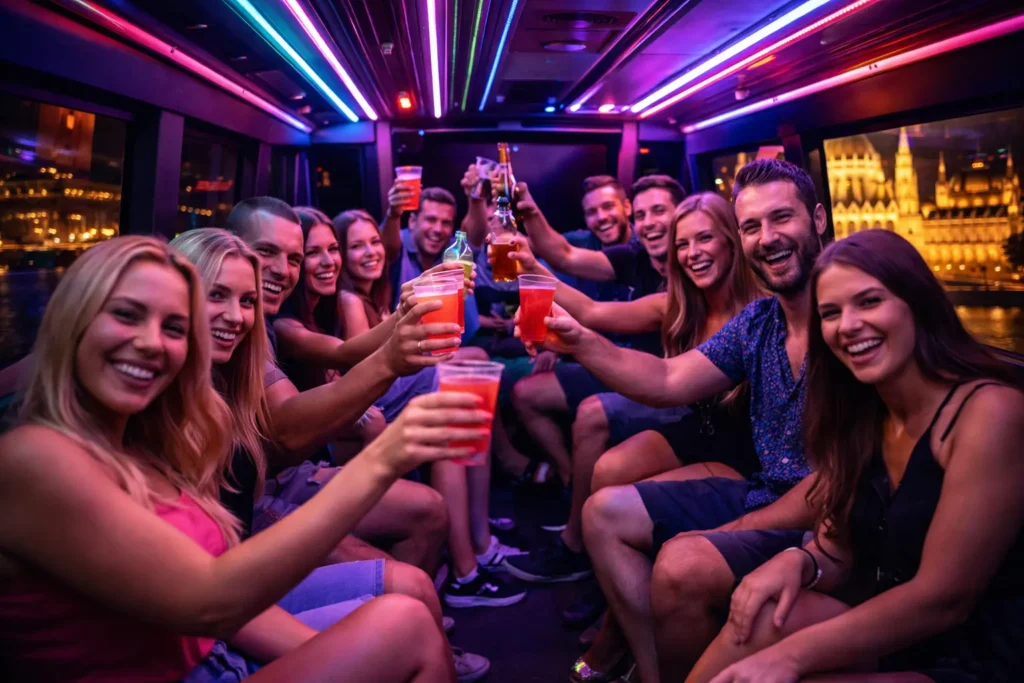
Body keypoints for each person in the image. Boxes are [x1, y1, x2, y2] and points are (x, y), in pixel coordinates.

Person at [0, 235, 490, 681]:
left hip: (214, 652)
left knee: (407, 621)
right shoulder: (33, 458)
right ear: (74, 322)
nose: (151, 342)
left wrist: (335, 654)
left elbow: (219, 612)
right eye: (126, 315)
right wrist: (384, 456)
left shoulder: (162, 431)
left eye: (173, 326)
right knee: (402, 623)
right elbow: (211, 600)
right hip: (201, 656)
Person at [522, 159, 828, 682]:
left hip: (813, 513)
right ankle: (651, 665)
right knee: (604, 511)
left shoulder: (843, 316)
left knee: (679, 560)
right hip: (764, 487)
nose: (767, 238)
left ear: (818, 219)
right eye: (753, 225)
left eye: (782, 219)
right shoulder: (759, 322)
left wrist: (737, 528)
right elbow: (666, 381)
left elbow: (843, 476)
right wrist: (579, 342)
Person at [690, 230, 1024, 683]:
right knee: (765, 616)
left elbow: (943, 598)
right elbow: (838, 548)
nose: (846, 325)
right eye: (830, 313)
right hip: (900, 637)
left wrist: (790, 657)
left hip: (975, 658)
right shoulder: (864, 413)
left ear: (917, 303)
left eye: (868, 302)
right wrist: (800, 562)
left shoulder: (990, 413)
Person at [170, 228, 488, 680]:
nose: (236, 315)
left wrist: (407, 311)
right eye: (216, 295)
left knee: (415, 586)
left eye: (246, 301)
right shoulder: (156, 414)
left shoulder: (229, 381)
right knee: (406, 624)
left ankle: (466, 574)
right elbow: (293, 423)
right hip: (214, 625)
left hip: (236, 580)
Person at [503, 193, 761, 592]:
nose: (693, 253)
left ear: (731, 241)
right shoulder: (677, 305)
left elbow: (666, 381)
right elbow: (590, 313)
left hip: (741, 451)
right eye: (683, 244)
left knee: (614, 503)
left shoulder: (759, 312)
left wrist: (578, 343)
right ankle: (600, 575)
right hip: (698, 430)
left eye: (705, 239)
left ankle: (614, 625)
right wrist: (533, 269)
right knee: (608, 468)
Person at [510, 175, 685, 491]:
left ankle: (576, 531)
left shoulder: (691, 278)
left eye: (659, 211)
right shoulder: (634, 255)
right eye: (643, 215)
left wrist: (569, 334)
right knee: (525, 391)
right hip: (620, 364)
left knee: (593, 414)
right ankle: (570, 480)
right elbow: (565, 256)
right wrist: (529, 219)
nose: (649, 223)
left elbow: (592, 313)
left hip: (669, 384)